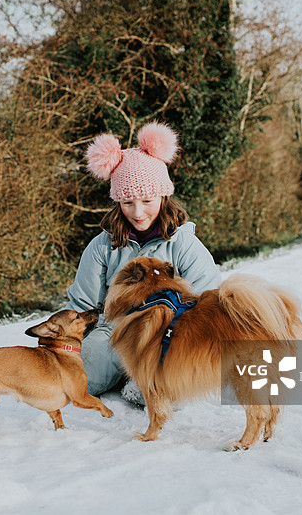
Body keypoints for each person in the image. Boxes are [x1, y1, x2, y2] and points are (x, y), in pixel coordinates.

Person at [63, 122, 221, 403]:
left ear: (163, 196)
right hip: (115, 331)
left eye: (147, 200)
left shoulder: (183, 243)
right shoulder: (103, 245)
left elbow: (208, 297)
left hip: (168, 332)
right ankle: (119, 370)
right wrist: (66, 347)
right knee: (76, 380)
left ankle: (149, 380)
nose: (138, 212)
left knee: (163, 386)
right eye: (127, 203)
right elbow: (83, 305)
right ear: (117, 202)